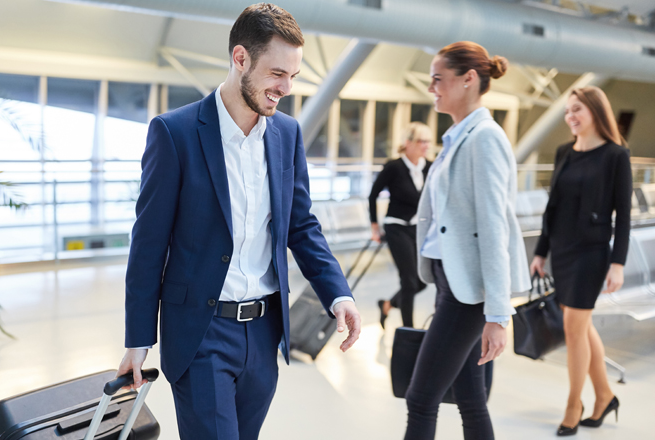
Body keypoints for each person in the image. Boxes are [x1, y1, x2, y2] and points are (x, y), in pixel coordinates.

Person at [114, 4, 362, 440]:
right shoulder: (175, 132)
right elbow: (149, 242)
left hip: (264, 334)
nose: (285, 88)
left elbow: (301, 226)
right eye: (276, 74)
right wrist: (138, 338)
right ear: (241, 58)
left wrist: (338, 294)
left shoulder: (287, 134)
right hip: (201, 333)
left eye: (293, 76)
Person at [404, 41, 531, 440]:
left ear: (469, 79)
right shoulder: (459, 136)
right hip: (452, 283)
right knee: (470, 400)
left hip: (468, 295)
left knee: (421, 399)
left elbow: (495, 227)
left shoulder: (484, 139)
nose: (432, 88)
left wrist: (498, 314)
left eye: (439, 80)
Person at [529, 86, 631, 436]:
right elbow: (552, 209)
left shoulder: (616, 156)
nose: (570, 116)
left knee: (574, 329)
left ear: (595, 113)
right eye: (567, 111)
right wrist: (541, 251)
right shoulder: (563, 153)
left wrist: (618, 263)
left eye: (577, 109)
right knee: (580, 325)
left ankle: (575, 403)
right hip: (563, 251)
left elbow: (624, 216)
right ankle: (604, 396)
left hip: (592, 253)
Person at [369, 122, 432, 328]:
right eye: (422, 141)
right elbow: (373, 195)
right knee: (409, 281)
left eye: (428, 141)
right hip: (396, 227)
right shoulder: (394, 167)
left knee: (422, 280)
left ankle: (387, 305)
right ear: (408, 143)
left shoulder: (429, 167)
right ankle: (409, 332)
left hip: (418, 228)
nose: (426, 146)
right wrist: (374, 227)